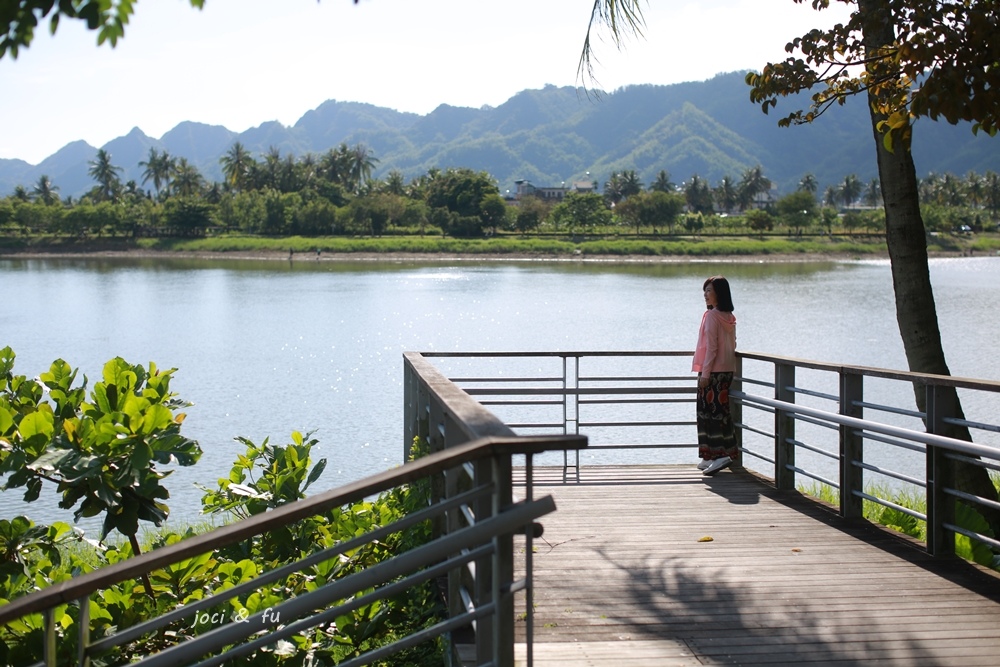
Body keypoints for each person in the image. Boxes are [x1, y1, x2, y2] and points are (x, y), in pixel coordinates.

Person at [691, 276, 738, 476]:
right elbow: (733, 344)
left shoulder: (711, 316)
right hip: (727, 370)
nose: (705, 295)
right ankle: (710, 455)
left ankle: (718, 455)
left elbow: (711, 348)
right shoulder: (728, 316)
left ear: (719, 293)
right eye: (705, 291)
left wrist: (706, 373)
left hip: (712, 371)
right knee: (720, 413)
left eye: (709, 291)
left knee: (707, 413)